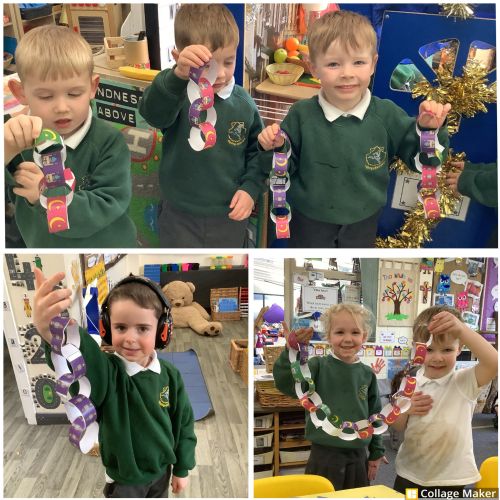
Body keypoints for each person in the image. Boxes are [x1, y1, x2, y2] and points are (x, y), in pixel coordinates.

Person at [258, 10, 451, 248]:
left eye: (358, 62)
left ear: (373, 64)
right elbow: (283, 168)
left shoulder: (387, 115)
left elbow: (421, 160)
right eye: (333, 64)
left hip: (363, 222)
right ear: (314, 68)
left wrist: (429, 130)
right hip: (309, 222)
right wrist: (275, 147)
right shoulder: (301, 115)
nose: (347, 74)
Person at [33, 269, 196, 498]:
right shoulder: (108, 372)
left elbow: (183, 423)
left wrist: (182, 468)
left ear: (162, 330)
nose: (130, 338)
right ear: (107, 328)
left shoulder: (170, 375)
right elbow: (86, 358)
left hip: (162, 472)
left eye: (142, 328)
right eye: (120, 327)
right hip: (124, 482)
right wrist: (51, 332)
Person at [139, 4, 266, 248]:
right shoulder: (176, 94)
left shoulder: (244, 104)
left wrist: (251, 189)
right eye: (207, 65)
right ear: (179, 58)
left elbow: (258, 154)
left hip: (229, 215)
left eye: (228, 62)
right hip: (178, 215)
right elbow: (153, 114)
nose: (220, 74)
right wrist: (177, 76)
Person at [4, 25, 136, 248]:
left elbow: (106, 205)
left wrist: (47, 195)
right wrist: (6, 152)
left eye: (74, 94)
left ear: (92, 87)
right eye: (45, 96)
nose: (62, 107)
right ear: (20, 92)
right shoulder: (14, 135)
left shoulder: (109, 142)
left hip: (106, 248)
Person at [273, 304, 387, 490]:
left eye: (355, 332)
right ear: (328, 335)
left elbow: (375, 415)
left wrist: (376, 451)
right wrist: (290, 351)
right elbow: (288, 385)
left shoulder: (367, 374)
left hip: (358, 456)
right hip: (323, 455)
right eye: (340, 332)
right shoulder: (317, 366)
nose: (348, 339)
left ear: (364, 336)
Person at [391, 306, 498, 495]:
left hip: (450, 477)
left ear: (460, 348)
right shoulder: (409, 382)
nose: (437, 358)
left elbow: (494, 363)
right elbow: (398, 426)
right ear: (416, 348)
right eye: (429, 349)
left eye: (447, 349)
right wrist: (405, 409)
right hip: (410, 472)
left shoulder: (465, 381)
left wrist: (462, 330)